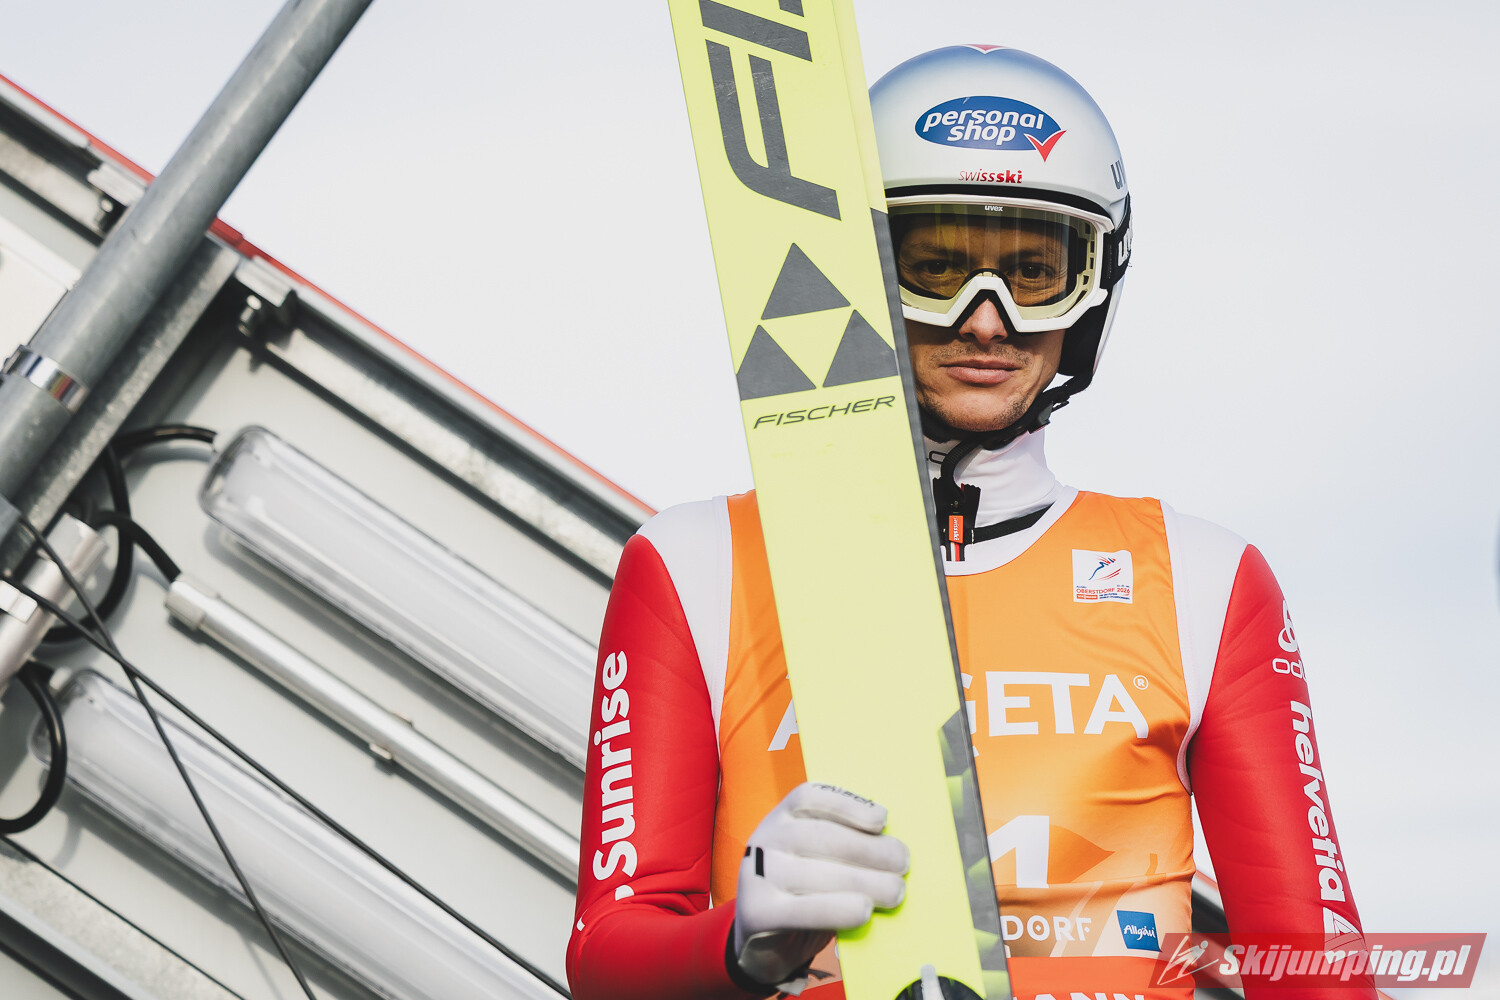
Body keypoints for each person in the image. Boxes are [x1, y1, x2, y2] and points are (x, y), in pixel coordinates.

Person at [566, 45, 1369, 1000]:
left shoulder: (1205, 581)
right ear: (862, 270)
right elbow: (607, 954)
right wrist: (741, 942)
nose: (984, 320)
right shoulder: (698, 565)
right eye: (934, 267)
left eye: (1034, 273)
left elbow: (1319, 971)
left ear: (1093, 287)